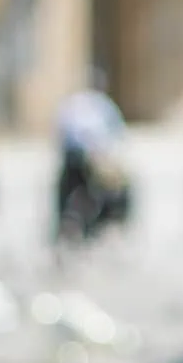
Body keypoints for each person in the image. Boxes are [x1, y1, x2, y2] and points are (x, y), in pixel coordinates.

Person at [53, 70, 126, 248]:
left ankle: (74, 225)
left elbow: (61, 132)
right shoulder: (100, 105)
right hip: (89, 157)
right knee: (88, 193)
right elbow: (116, 133)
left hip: (79, 157)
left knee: (76, 193)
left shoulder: (73, 104)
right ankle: (82, 226)